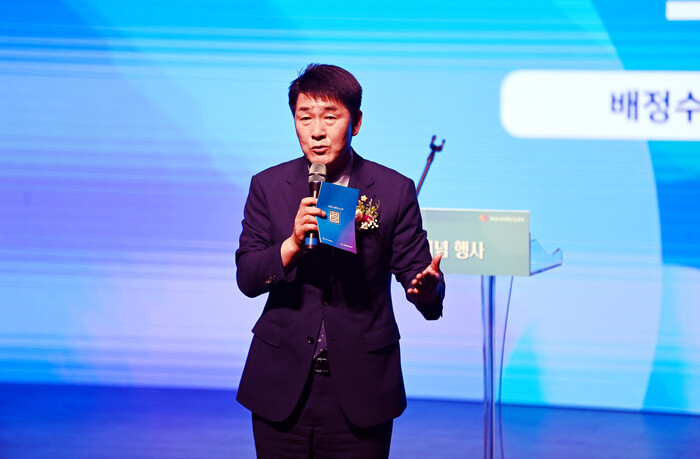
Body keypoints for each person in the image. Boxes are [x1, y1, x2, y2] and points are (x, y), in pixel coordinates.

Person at [235, 63, 445, 458]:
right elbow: (247, 277)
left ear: (356, 123)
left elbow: (420, 280)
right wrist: (292, 244)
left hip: (363, 386)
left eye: (330, 117)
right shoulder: (268, 186)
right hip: (280, 383)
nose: (317, 131)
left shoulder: (393, 190)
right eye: (305, 117)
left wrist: (427, 289)